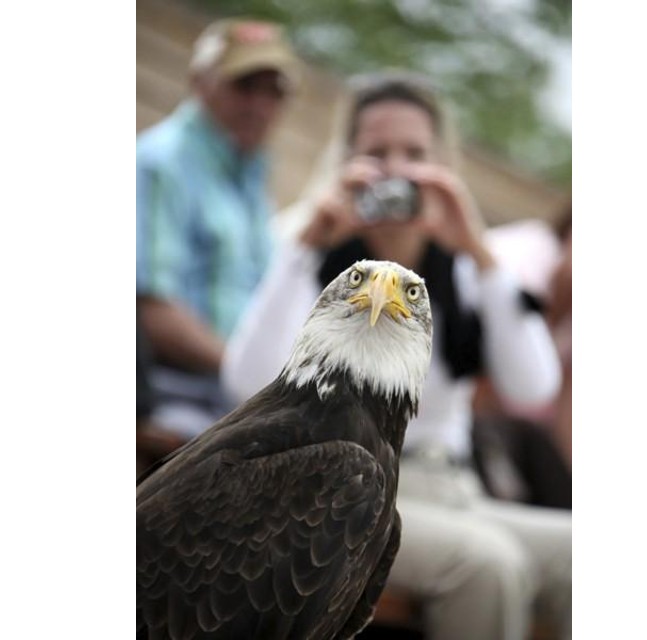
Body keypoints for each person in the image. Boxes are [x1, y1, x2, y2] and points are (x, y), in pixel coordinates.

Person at [223, 71, 572, 640]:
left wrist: (477, 248)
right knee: (488, 566)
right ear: (347, 159)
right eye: (377, 153)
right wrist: (309, 243)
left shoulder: (463, 267)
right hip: (345, 497)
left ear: (442, 164)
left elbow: (532, 385)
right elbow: (245, 384)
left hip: (456, 489)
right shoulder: (308, 245)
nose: (396, 171)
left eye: (415, 154)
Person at [136, 18, 301, 442]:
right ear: (200, 82)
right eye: (245, 85)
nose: (260, 105)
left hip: (234, 398)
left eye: (274, 91)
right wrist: (253, 376)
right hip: (175, 393)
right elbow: (151, 308)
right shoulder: (161, 163)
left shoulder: (251, 179)